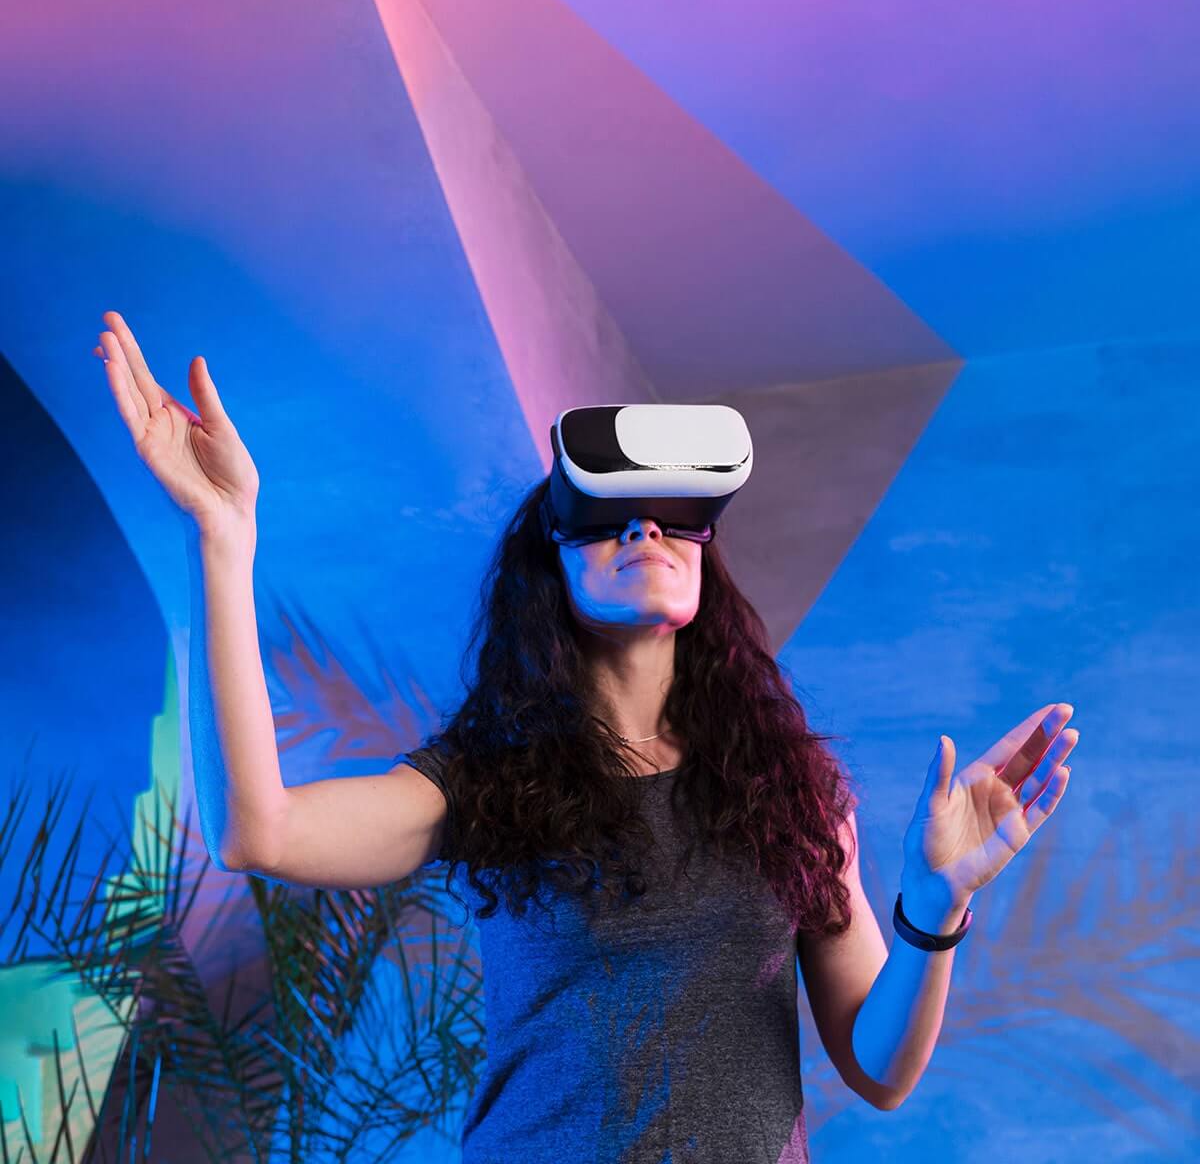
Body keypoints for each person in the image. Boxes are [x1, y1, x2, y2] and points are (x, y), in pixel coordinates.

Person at [95, 309, 1079, 1164]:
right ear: (552, 561)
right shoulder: (486, 782)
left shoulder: (792, 793)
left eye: (676, 516)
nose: (647, 531)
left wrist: (933, 909)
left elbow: (879, 1070)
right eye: (610, 515)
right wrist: (222, 538)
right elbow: (258, 831)